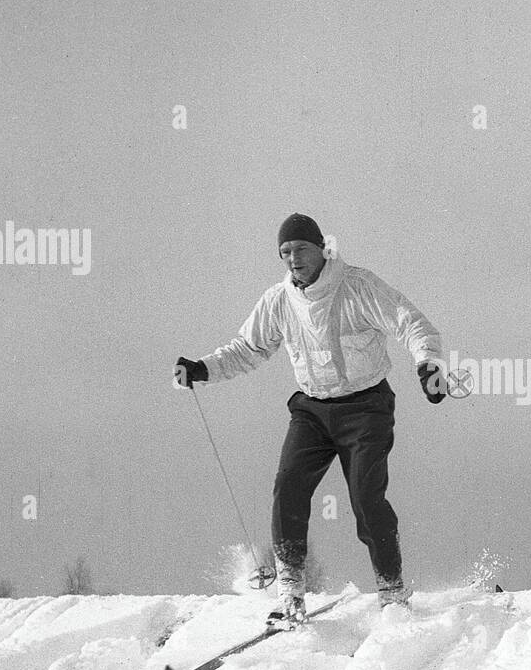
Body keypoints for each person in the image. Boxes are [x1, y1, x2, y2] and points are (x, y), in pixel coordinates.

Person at [174, 213, 445, 621]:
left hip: (365, 407)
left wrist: (428, 365)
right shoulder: (279, 301)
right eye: (284, 252)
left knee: (366, 500)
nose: (293, 259)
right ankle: (291, 594)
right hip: (312, 410)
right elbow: (248, 349)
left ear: (322, 248)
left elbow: (410, 323)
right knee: (288, 489)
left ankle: (391, 593)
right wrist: (203, 369)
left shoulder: (358, 285)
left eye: (300, 249)